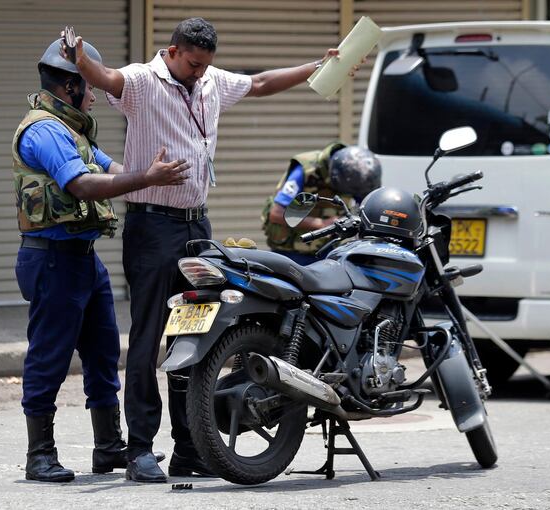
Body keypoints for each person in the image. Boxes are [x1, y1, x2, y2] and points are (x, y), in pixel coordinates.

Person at [63, 17, 344, 483]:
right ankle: (139, 451)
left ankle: (189, 448)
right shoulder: (141, 82)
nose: (198, 74)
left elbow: (260, 83)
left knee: (194, 337)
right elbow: (105, 77)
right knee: (150, 337)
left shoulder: (211, 81)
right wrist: (80, 59)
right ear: (172, 52)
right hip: (152, 228)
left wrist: (317, 66)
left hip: (197, 227)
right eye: (192, 64)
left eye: (204, 66)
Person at [13, 38, 189, 483]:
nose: (94, 94)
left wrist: (151, 179)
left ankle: (109, 446)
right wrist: (143, 178)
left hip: (83, 260)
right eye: (89, 86)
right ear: (70, 86)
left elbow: (112, 170)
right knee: (49, 356)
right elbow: (83, 186)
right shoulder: (45, 130)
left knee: (103, 352)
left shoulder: (73, 129)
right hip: (52, 260)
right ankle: (40, 454)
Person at [262, 144, 382, 265]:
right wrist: (321, 224)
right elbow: (276, 214)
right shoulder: (306, 170)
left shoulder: (356, 176)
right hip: (290, 251)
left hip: (326, 249)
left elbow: (366, 208)